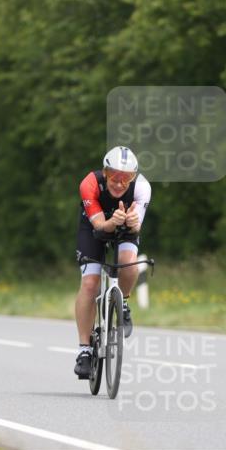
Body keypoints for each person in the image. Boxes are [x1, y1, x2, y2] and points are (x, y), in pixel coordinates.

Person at [74, 146, 151, 378]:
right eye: (114, 176)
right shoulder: (89, 183)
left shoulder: (142, 188)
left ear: (133, 178)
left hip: (125, 225)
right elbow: (99, 225)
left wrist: (130, 222)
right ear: (105, 173)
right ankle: (85, 350)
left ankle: (123, 303)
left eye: (125, 178)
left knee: (130, 264)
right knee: (90, 283)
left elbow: (136, 226)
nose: (119, 183)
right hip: (94, 227)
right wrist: (111, 221)